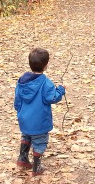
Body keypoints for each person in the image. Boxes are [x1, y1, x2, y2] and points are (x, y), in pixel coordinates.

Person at [14, 47, 66, 176]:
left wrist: (19, 111)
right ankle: (36, 167)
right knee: (40, 141)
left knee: (26, 136)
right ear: (46, 66)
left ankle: (23, 158)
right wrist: (60, 90)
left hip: (24, 118)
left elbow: (17, 99)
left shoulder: (22, 82)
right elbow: (52, 97)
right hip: (39, 120)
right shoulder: (45, 83)